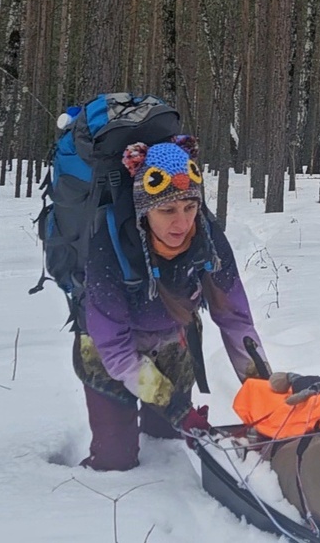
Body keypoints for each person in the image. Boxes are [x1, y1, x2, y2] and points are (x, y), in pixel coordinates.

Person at [73, 133, 268, 471]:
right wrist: (177, 406)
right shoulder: (109, 247)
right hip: (108, 353)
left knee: (168, 439)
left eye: (190, 207)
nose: (182, 222)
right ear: (144, 210)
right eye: (167, 209)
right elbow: (116, 351)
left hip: (172, 342)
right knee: (115, 460)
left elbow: (236, 319)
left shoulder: (207, 239)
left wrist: (265, 393)